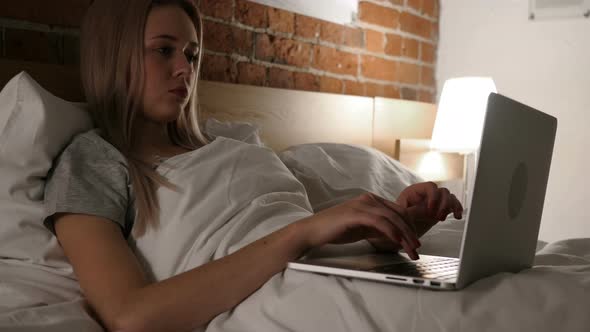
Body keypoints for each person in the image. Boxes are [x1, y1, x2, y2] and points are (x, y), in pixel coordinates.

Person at [43, 1, 463, 331]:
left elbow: (296, 230)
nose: (184, 69)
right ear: (114, 55)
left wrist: (394, 229)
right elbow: (129, 316)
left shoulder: (235, 144)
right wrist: (300, 233)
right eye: (164, 50)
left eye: (191, 54)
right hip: (265, 301)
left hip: (317, 272)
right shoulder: (94, 161)